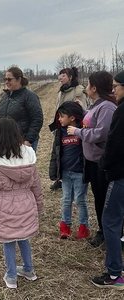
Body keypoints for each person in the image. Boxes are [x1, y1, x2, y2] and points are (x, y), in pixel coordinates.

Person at [0, 118, 43, 289]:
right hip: (27, 202)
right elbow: (36, 185)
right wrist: (38, 206)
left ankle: (12, 276)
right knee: (23, 237)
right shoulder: (29, 156)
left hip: (4, 205)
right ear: (17, 134)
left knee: (8, 240)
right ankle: (29, 270)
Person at [67, 71, 117, 247]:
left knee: (104, 199)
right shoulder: (98, 105)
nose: (86, 87)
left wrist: (77, 132)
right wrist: (83, 110)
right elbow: (93, 121)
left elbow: (101, 133)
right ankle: (103, 232)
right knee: (98, 197)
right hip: (92, 161)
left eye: (88, 84)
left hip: (100, 162)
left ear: (94, 87)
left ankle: (109, 234)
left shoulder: (107, 107)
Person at [91, 70, 124, 289]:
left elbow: (113, 144)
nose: (113, 90)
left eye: (117, 86)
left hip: (120, 175)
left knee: (110, 221)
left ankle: (115, 275)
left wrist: (104, 166)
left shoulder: (120, 111)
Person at [49, 101, 89, 239]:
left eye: (61, 116)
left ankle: (84, 227)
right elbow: (55, 152)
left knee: (80, 200)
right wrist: (54, 171)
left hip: (80, 172)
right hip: (66, 172)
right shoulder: (61, 132)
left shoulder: (83, 130)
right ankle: (65, 226)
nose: (59, 119)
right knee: (66, 199)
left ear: (72, 117)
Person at [50, 67, 88, 191]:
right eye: (59, 75)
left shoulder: (78, 90)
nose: (60, 78)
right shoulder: (61, 91)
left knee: (72, 152)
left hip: (72, 128)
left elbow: (81, 110)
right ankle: (60, 178)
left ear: (70, 77)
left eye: (63, 75)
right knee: (58, 151)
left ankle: (77, 177)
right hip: (61, 125)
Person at [0, 66, 43, 152]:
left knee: (23, 165)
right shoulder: (5, 97)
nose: (6, 82)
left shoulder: (29, 96)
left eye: (9, 79)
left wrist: (28, 140)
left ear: (18, 80)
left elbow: (37, 119)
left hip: (23, 141)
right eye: (5, 79)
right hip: (6, 141)